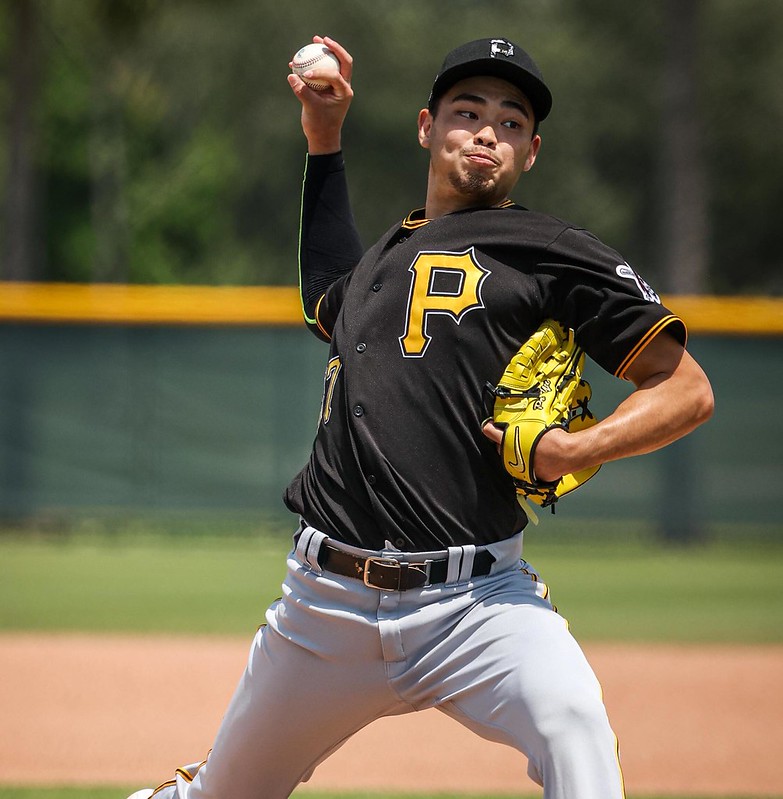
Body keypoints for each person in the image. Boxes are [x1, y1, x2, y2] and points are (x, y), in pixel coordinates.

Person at [126, 35, 713, 799]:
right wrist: (323, 135)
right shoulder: (375, 265)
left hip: (476, 604)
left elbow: (685, 388)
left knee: (576, 732)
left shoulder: (550, 249)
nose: (486, 131)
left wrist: (573, 447)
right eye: (466, 112)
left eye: (509, 122)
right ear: (425, 128)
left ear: (530, 152)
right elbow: (323, 292)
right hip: (323, 605)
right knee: (222, 795)